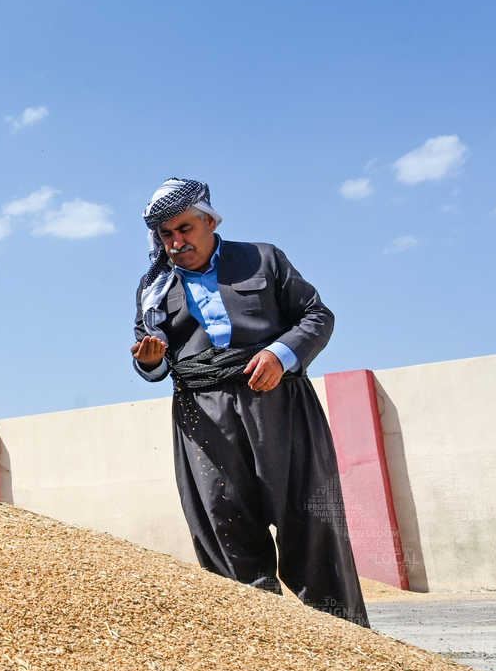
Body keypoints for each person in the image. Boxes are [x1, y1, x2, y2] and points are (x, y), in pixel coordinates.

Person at [129, 178, 369, 626]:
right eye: (166, 234)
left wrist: (281, 355)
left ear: (210, 221)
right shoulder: (154, 290)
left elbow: (317, 316)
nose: (176, 243)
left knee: (310, 519)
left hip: (276, 400)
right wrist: (150, 361)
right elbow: (151, 362)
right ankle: (261, 642)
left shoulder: (263, 258)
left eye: (185, 229)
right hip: (201, 415)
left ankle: (346, 639)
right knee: (225, 527)